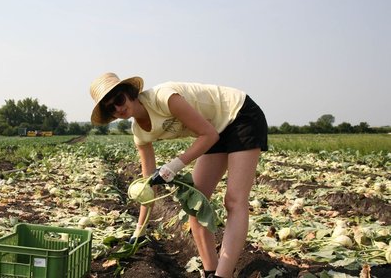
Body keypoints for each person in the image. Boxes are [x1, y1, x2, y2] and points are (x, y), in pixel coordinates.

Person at [89, 72, 268, 278]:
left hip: (239, 115)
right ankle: (211, 270)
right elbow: (148, 187)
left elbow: (208, 135)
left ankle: (223, 275)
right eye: (110, 108)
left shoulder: (163, 98)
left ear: (130, 93)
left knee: (234, 200)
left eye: (118, 100)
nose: (118, 108)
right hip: (214, 129)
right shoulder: (139, 132)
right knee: (195, 204)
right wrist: (140, 230)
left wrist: (173, 166)